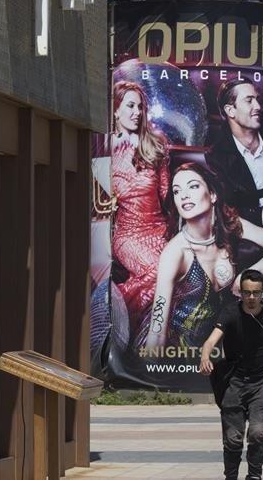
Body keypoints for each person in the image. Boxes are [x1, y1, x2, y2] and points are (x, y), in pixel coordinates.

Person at [143, 163, 263, 351]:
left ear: (213, 195)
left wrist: (247, 275)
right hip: (182, 351)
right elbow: (157, 330)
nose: (184, 195)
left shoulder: (231, 224)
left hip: (220, 345)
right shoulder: (175, 253)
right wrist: (154, 371)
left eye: (193, 186)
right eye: (177, 191)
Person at [199, 269, 263, 480]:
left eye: (256, 293)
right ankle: (231, 476)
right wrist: (205, 356)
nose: (251, 298)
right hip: (235, 382)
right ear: (240, 292)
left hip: (262, 382)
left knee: (257, 433)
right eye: (247, 293)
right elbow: (211, 341)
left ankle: (254, 475)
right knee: (233, 439)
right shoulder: (230, 313)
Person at [108, 81, 171, 339]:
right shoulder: (105, 148)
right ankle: (117, 316)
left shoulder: (155, 144)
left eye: (140, 107)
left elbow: (166, 195)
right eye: (130, 106)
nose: (137, 112)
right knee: (158, 272)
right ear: (115, 110)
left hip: (158, 230)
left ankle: (151, 341)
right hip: (127, 235)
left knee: (176, 276)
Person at [206, 80, 263, 238]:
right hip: (244, 239)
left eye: (257, 99)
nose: (257, 106)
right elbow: (225, 212)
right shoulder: (217, 156)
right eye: (249, 101)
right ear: (230, 111)